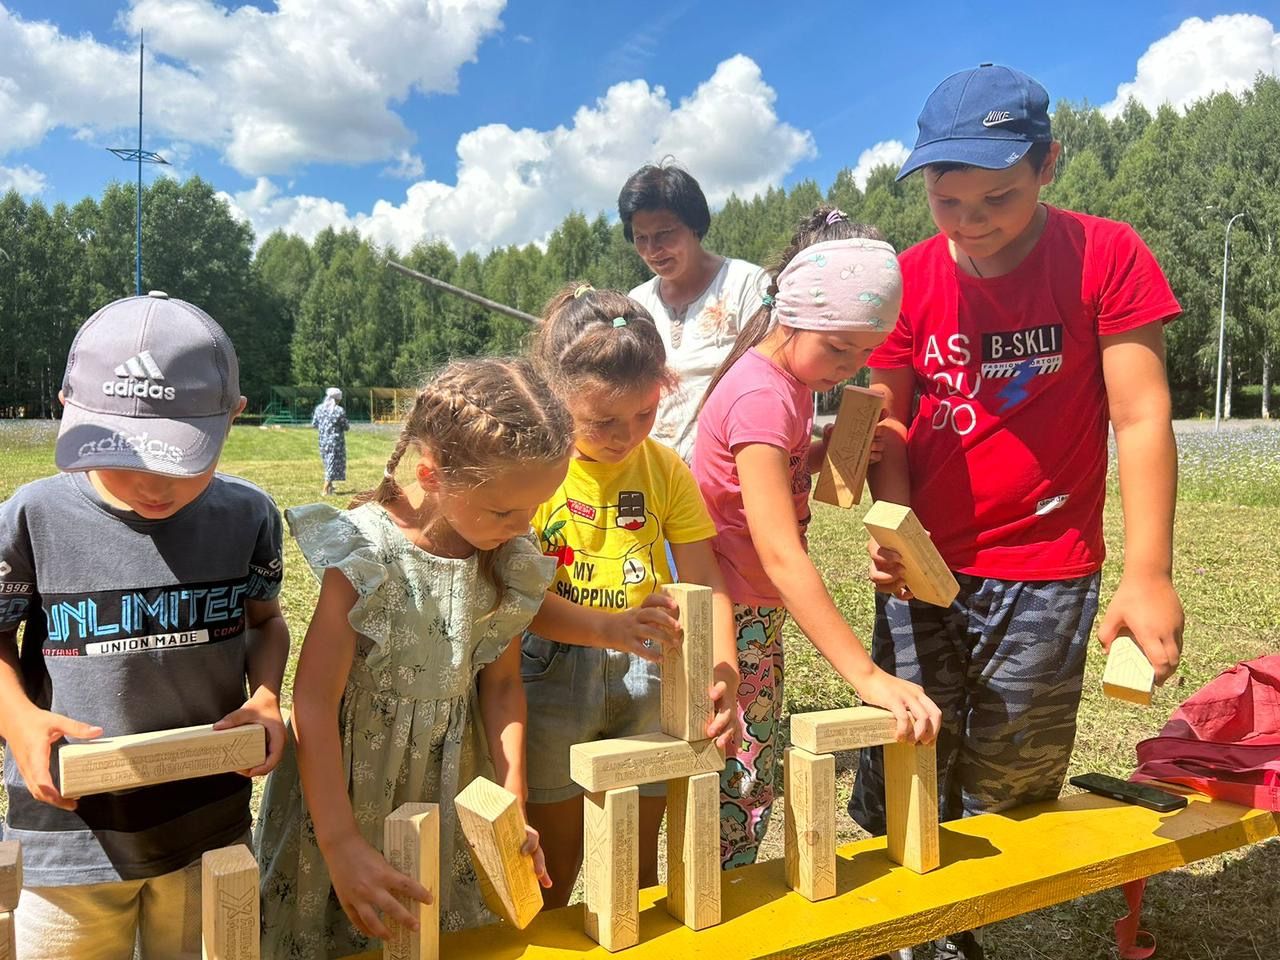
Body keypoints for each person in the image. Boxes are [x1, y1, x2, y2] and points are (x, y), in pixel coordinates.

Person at [849, 65, 1184, 960]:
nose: (970, 220)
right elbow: (888, 423)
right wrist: (892, 527)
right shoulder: (904, 282)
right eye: (947, 198)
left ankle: (958, 923)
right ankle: (903, 931)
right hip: (925, 569)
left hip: (1046, 566)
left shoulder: (1105, 255)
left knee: (1009, 778)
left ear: (1049, 165)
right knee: (904, 754)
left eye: (996, 196)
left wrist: (1147, 574)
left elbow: (1142, 415)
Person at [0, 291, 289, 959]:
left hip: (206, 821)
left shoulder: (247, 517)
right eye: (122, 453)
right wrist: (15, 716)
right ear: (67, 406)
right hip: (67, 830)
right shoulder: (30, 518)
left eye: (182, 457)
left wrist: (266, 694)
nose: (152, 484)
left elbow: (265, 623)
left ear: (232, 417)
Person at [256, 357, 573, 957]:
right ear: (432, 475)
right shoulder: (366, 550)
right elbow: (314, 701)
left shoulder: (503, 554)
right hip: (343, 798)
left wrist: (512, 801)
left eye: (534, 508)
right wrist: (342, 842)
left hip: (450, 791)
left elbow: (503, 688)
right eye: (504, 511)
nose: (521, 526)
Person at [693, 209, 942, 867]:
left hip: (752, 607)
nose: (850, 368)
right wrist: (864, 674)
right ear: (791, 315)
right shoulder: (764, 397)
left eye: (866, 354)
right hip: (730, 608)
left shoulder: (789, 385)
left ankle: (727, 897)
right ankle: (723, 917)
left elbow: (756, 473)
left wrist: (814, 452)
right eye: (838, 349)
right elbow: (779, 552)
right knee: (737, 777)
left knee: (749, 772)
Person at [520, 284, 741, 907]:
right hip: (551, 670)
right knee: (552, 871)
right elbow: (521, 600)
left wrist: (723, 671)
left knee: (635, 870)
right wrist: (607, 627)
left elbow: (704, 580)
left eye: (644, 415)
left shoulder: (666, 469)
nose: (626, 436)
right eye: (602, 422)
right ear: (556, 396)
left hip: (650, 672)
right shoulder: (537, 472)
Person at [621, 162, 768, 461]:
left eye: (664, 233)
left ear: (695, 226)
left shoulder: (747, 286)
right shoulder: (637, 303)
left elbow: (768, 382)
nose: (653, 250)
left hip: (727, 472)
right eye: (641, 238)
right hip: (653, 476)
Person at [312, 386, 349, 496]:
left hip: (323, 440)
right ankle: (325, 489)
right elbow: (345, 426)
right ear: (337, 399)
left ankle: (330, 487)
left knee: (328, 463)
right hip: (335, 442)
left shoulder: (319, 409)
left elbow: (314, 424)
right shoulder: (339, 411)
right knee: (332, 464)